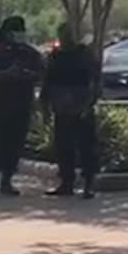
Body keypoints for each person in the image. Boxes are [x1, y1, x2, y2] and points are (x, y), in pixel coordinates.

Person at [0, 16, 44, 197]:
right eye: (15, 30)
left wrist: (24, 75)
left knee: (14, 145)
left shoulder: (30, 54)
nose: (18, 34)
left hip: (20, 106)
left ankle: (6, 182)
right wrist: (7, 74)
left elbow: (40, 74)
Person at [40, 22, 99, 199]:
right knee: (64, 147)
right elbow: (47, 82)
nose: (65, 37)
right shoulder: (55, 56)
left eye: (68, 33)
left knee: (86, 147)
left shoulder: (85, 54)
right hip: (61, 107)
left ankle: (89, 184)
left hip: (81, 105)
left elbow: (96, 80)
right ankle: (67, 183)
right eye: (62, 33)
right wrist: (45, 107)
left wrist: (89, 103)